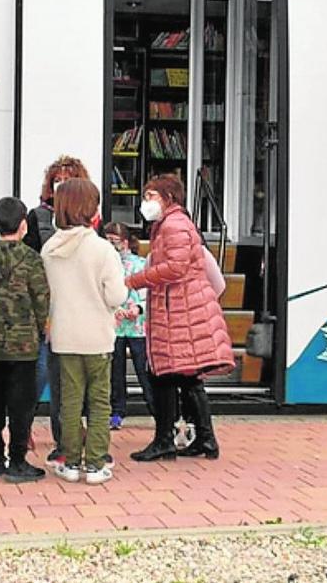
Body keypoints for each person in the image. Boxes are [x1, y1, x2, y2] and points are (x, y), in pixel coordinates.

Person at [126, 174, 233, 463]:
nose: (145, 203)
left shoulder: (173, 225)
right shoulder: (173, 224)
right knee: (187, 377)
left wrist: (136, 280)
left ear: (168, 198)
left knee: (162, 375)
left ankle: (165, 441)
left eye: (151, 196)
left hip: (179, 311)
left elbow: (175, 267)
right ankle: (205, 439)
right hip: (181, 309)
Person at [41, 180, 127, 485]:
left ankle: (71, 461)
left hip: (64, 337)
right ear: (92, 209)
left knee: (70, 402)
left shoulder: (49, 248)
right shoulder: (102, 249)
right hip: (98, 338)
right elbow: (116, 296)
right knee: (100, 401)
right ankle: (95, 464)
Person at [22, 155, 90, 468]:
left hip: (77, 308)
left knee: (68, 378)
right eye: (57, 179)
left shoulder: (91, 222)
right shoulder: (37, 217)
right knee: (37, 373)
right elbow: (30, 261)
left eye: (69, 178)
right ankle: (21, 427)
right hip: (45, 307)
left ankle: (67, 439)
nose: (61, 184)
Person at [0, 197, 49, 483]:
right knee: (21, 402)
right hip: (24, 344)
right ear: (23, 225)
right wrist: (42, 327)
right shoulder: (31, 258)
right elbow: (41, 298)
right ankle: (17, 460)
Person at [104, 222, 148, 430]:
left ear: (125, 241)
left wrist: (138, 308)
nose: (111, 245)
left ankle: (158, 409)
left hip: (138, 326)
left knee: (144, 369)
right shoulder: (105, 264)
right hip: (114, 324)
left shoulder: (140, 263)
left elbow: (147, 291)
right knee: (115, 372)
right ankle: (117, 411)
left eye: (115, 241)